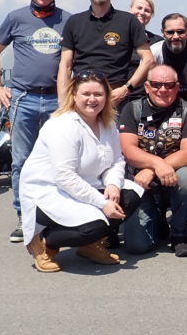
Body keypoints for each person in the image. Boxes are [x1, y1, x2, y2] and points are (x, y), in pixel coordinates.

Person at [18, 72, 143, 272]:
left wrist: (112, 185)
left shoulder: (108, 123)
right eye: (86, 94)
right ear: (74, 96)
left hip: (86, 185)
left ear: (106, 97)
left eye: (98, 94)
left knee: (130, 195)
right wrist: (103, 203)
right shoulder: (62, 125)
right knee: (95, 225)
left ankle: (88, 246)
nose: (92, 99)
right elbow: (65, 177)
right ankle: (43, 241)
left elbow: (117, 161)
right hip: (49, 192)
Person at [0, 0, 71, 243]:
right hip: (24, 99)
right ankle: (24, 216)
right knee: (22, 162)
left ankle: (56, 217)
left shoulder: (68, 20)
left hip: (57, 99)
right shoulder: (16, 18)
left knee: (60, 161)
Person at [118, 64, 187, 257]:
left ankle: (179, 233)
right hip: (141, 182)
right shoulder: (132, 109)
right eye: (156, 84)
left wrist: (154, 169)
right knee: (137, 246)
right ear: (147, 87)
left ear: (177, 87)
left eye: (169, 85)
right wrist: (157, 164)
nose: (163, 89)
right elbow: (128, 150)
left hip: (173, 177)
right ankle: (157, 220)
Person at [57, 0, 153, 109]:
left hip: (115, 99)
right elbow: (65, 65)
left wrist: (126, 89)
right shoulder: (74, 22)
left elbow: (148, 59)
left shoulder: (129, 21)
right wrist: (63, 101)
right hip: (81, 98)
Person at [150, 13, 187, 107]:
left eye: (180, 32)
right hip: (163, 101)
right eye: (170, 32)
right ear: (163, 32)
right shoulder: (153, 53)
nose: (175, 36)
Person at [126, 0, 161, 101]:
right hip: (119, 96)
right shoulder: (116, 37)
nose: (142, 12)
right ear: (130, 10)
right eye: (139, 8)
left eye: (147, 10)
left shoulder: (158, 42)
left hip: (146, 98)